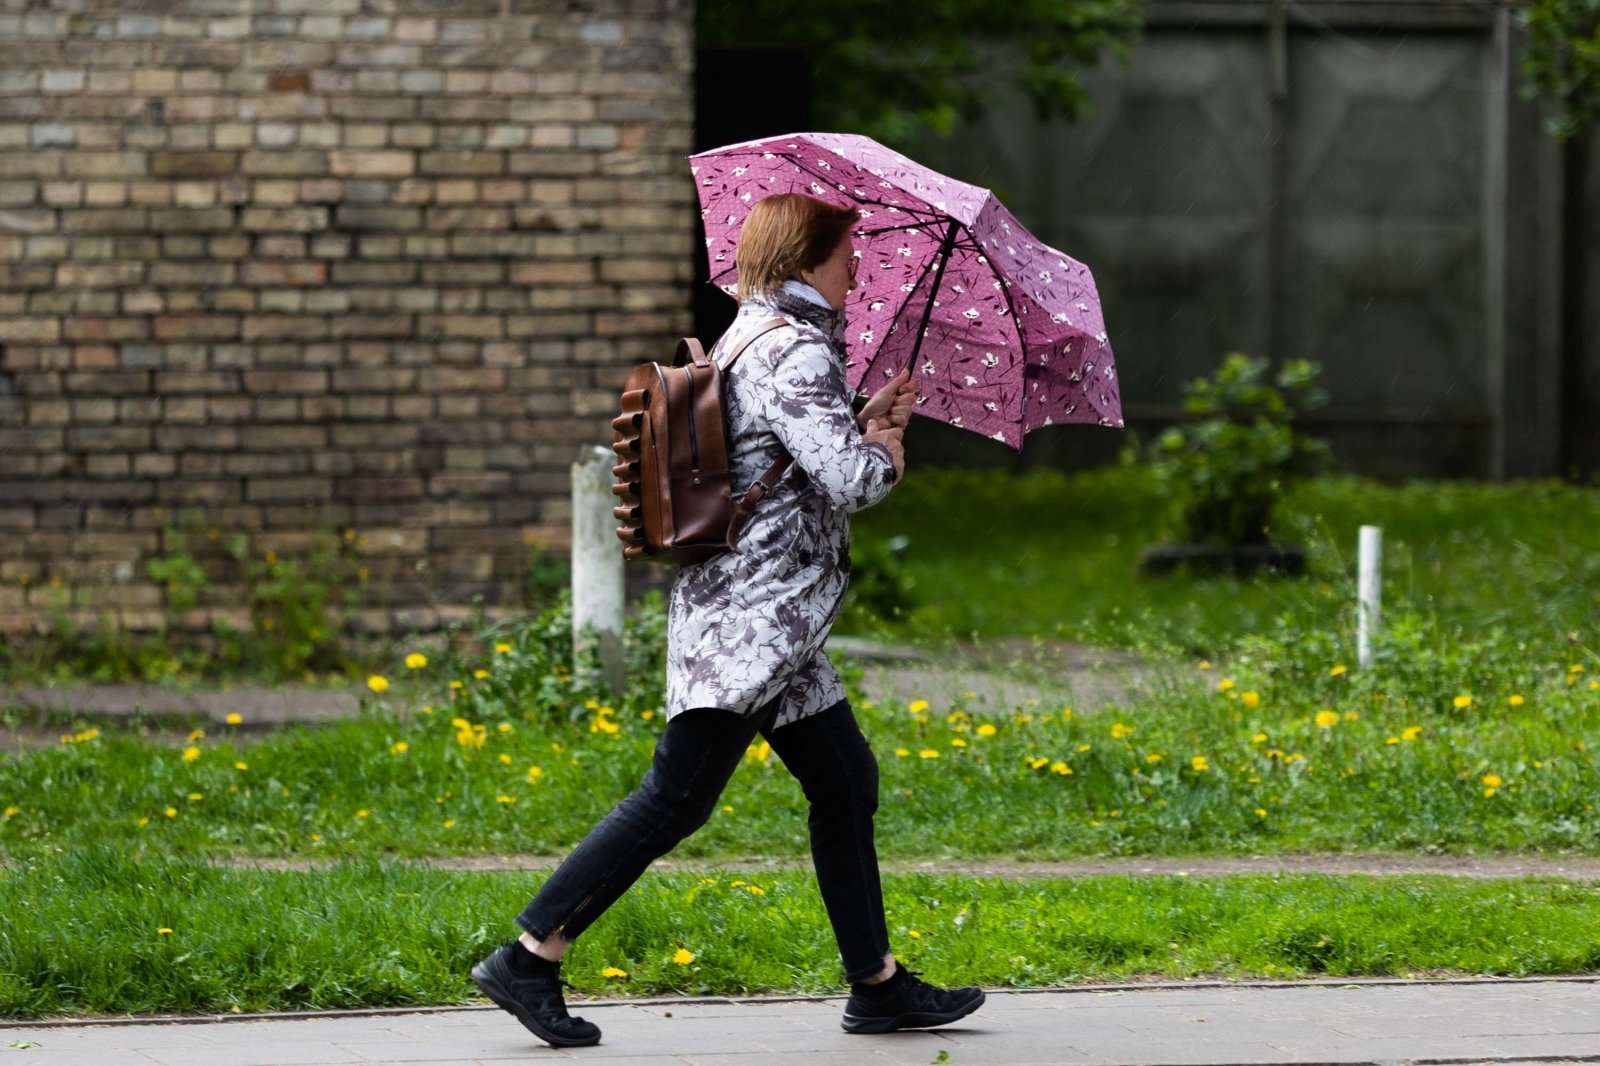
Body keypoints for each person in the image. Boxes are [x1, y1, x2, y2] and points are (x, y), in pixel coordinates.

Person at [471, 192, 984, 1048]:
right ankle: (532, 952)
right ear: (810, 259)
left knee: (846, 785)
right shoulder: (795, 351)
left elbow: (779, 459)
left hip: (771, 623)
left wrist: (856, 424)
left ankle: (879, 985)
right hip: (757, 621)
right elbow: (851, 483)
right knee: (676, 797)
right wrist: (884, 449)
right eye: (848, 253)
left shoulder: (756, 330)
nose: (858, 268)